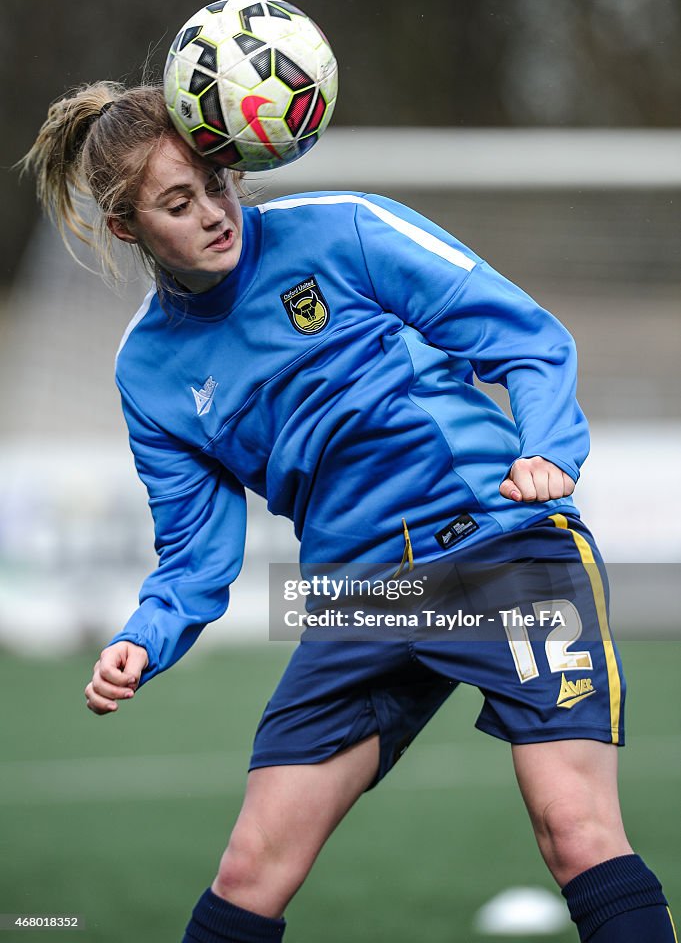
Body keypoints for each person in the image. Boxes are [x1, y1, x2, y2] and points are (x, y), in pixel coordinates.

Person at [23, 80, 676, 943]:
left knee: (575, 831)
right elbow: (193, 552)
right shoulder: (147, 371)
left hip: (496, 546)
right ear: (127, 228)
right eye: (178, 203)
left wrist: (547, 449)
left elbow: (528, 336)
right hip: (355, 595)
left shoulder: (345, 227)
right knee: (250, 873)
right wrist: (146, 634)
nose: (215, 211)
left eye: (219, 180)